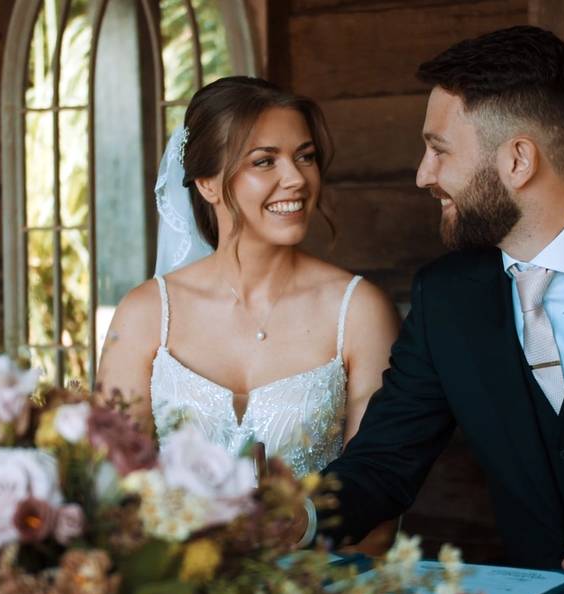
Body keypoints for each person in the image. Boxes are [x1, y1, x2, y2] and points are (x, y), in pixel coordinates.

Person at [312, 25, 564, 594]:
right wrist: (295, 517)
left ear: (518, 159)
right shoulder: (445, 298)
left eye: (439, 149)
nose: (423, 174)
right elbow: (382, 464)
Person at [96, 78, 399, 550]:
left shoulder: (359, 312)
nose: (297, 178)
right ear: (208, 182)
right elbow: (109, 494)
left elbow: (379, 515)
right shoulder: (145, 315)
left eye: (305, 156)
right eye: (264, 161)